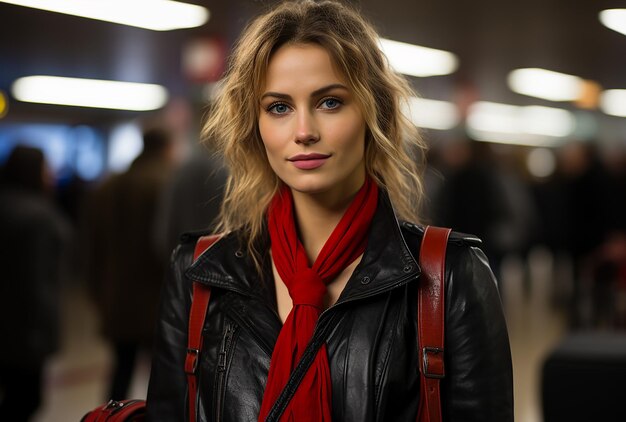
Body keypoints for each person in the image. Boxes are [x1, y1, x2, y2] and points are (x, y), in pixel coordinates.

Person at [147, 1, 513, 421]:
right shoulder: (199, 275)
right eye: (279, 107)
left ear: (374, 113)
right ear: (256, 124)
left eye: (330, 102)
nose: (304, 131)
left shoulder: (449, 276)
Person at [85, 127, 177, 401]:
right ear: (165, 148)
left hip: (116, 295)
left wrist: (96, 290)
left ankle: (113, 417)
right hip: (156, 297)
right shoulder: (165, 184)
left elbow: (92, 246)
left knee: (121, 369)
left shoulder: (108, 186)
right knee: (164, 376)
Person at [0, 145, 70, 420]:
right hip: (25, 328)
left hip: (7, 324)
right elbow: (37, 283)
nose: (50, 174)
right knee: (26, 399)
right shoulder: (38, 217)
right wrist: (43, 336)